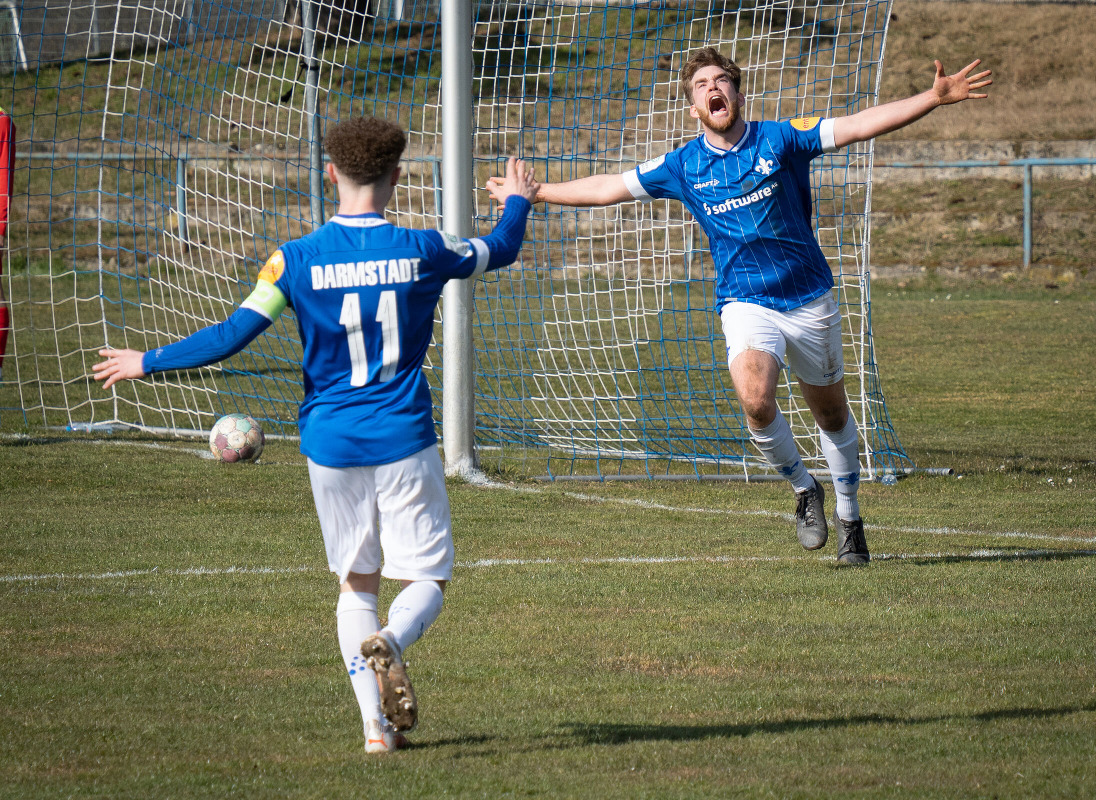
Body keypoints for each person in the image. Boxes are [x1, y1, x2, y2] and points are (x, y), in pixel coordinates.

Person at [93, 116, 541, 752]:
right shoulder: (425, 248)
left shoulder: (294, 260)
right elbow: (501, 247)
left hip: (330, 445)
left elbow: (231, 336)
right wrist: (518, 200)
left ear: (330, 173)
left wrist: (147, 360)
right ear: (396, 176)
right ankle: (393, 640)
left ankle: (375, 731)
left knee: (356, 585)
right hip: (404, 437)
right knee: (426, 579)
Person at [488, 48, 990, 565]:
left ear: (737, 92)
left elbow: (858, 125)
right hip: (746, 301)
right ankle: (804, 488)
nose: (713, 88)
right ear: (693, 108)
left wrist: (933, 98)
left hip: (809, 297)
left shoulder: (780, 138)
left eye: (721, 80)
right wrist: (536, 193)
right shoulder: (683, 165)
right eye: (701, 84)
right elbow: (610, 187)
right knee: (755, 400)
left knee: (831, 413)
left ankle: (850, 518)